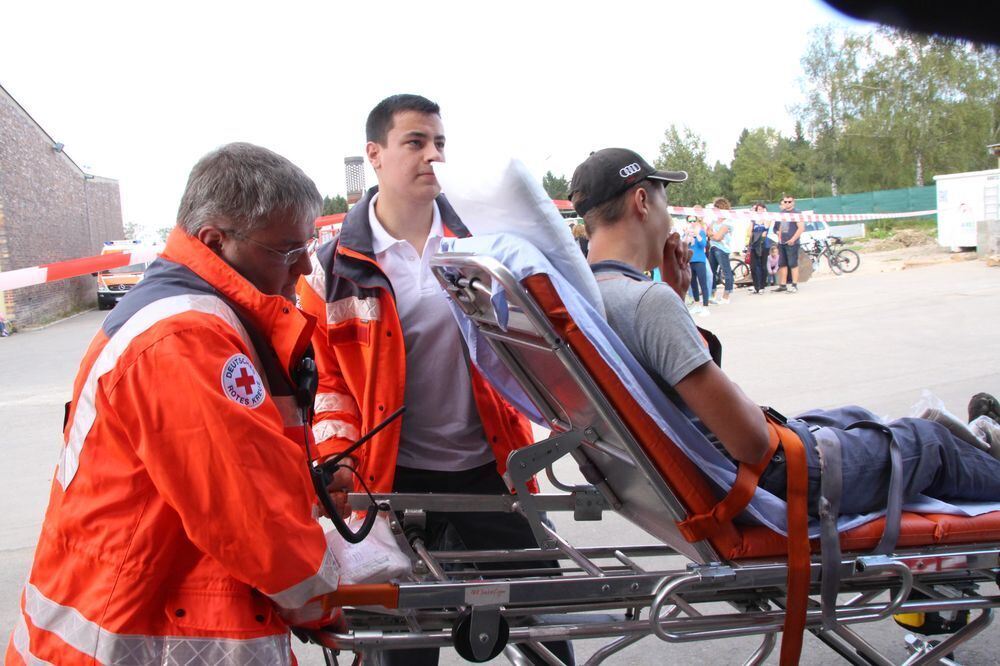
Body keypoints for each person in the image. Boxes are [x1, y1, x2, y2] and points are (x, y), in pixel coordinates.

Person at [7, 143, 349, 665]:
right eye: (286, 250)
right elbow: (249, 515)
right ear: (215, 241)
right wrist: (321, 600)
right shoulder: (185, 338)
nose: (303, 266)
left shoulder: (199, 315)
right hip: (123, 639)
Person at [569, 147, 1000, 517]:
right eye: (666, 202)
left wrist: (673, 297)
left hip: (701, 470)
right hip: (767, 476)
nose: (668, 219)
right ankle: (973, 446)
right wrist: (667, 302)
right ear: (642, 201)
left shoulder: (587, 298)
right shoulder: (648, 303)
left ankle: (977, 439)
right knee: (927, 446)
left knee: (855, 416)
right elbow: (752, 441)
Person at [297, 94, 573, 666]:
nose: (432, 156)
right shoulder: (332, 265)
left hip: (491, 470)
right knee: (399, 648)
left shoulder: (483, 244)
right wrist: (338, 457)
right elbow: (328, 383)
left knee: (543, 626)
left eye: (440, 143)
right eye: (415, 142)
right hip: (388, 481)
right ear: (374, 154)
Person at [706, 197, 734, 304]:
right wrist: (714, 235)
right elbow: (709, 232)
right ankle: (712, 294)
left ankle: (726, 296)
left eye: (716, 208)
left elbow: (718, 237)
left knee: (726, 272)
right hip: (713, 247)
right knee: (711, 272)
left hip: (722, 249)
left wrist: (713, 235)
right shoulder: (714, 221)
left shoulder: (728, 222)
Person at [774, 194, 803, 293]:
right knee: (782, 264)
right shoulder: (782, 213)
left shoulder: (797, 213)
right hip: (782, 242)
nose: (787, 203)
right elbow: (782, 228)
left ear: (793, 202)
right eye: (785, 202)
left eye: (789, 201)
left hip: (792, 243)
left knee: (793, 264)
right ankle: (783, 285)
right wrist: (780, 238)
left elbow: (801, 228)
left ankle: (794, 285)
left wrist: (793, 239)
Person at [684, 216, 710, 316]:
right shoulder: (687, 232)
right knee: (693, 284)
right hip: (690, 261)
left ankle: (705, 306)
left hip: (700, 260)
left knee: (703, 283)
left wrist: (697, 234)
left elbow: (703, 244)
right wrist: (687, 236)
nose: (692, 223)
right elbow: (684, 245)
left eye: (694, 221)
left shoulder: (701, 232)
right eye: (690, 221)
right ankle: (696, 304)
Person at [746, 202, 772, 294]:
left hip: (764, 245)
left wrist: (764, 218)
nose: (760, 211)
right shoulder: (753, 221)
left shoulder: (767, 219)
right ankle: (756, 286)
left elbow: (766, 231)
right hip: (754, 245)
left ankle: (762, 286)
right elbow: (749, 233)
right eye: (758, 209)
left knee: (763, 266)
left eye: (762, 209)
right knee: (753, 266)